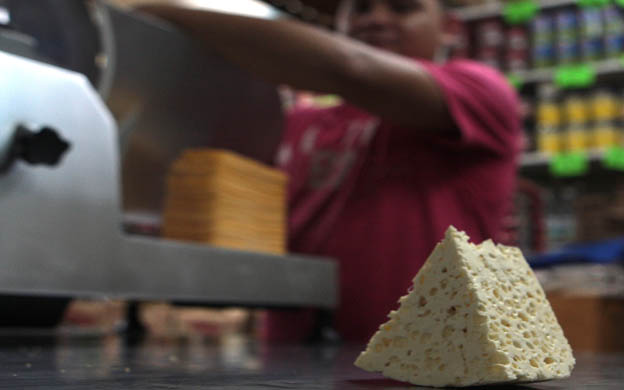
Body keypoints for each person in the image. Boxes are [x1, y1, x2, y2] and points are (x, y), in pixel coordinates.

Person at [139, 0, 521, 342]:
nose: (375, 18)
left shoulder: (481, 90)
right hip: (297, 362)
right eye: (360, 8)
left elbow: (353, 67)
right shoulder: (296, 124)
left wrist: (161, 14)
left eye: (402, 7)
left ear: (450, 27)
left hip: (434, 361)